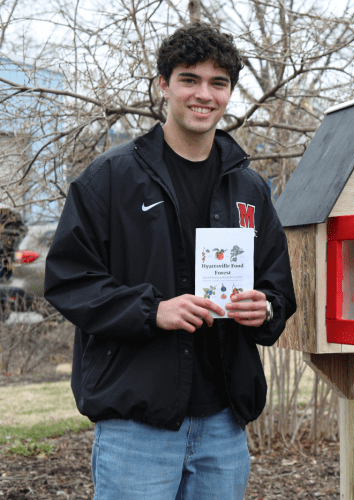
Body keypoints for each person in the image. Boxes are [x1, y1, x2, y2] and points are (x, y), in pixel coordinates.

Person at [44, 23, 296, 499]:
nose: (204, 95)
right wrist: (152, 310)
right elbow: (67, 280)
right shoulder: (111, 179)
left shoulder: (250, 189)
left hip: (223, 426)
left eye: (217, 83)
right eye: (189, 79)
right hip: (137, 426)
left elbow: (279, 288)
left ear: (229, 93)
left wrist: (266, 309)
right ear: (164, 85)